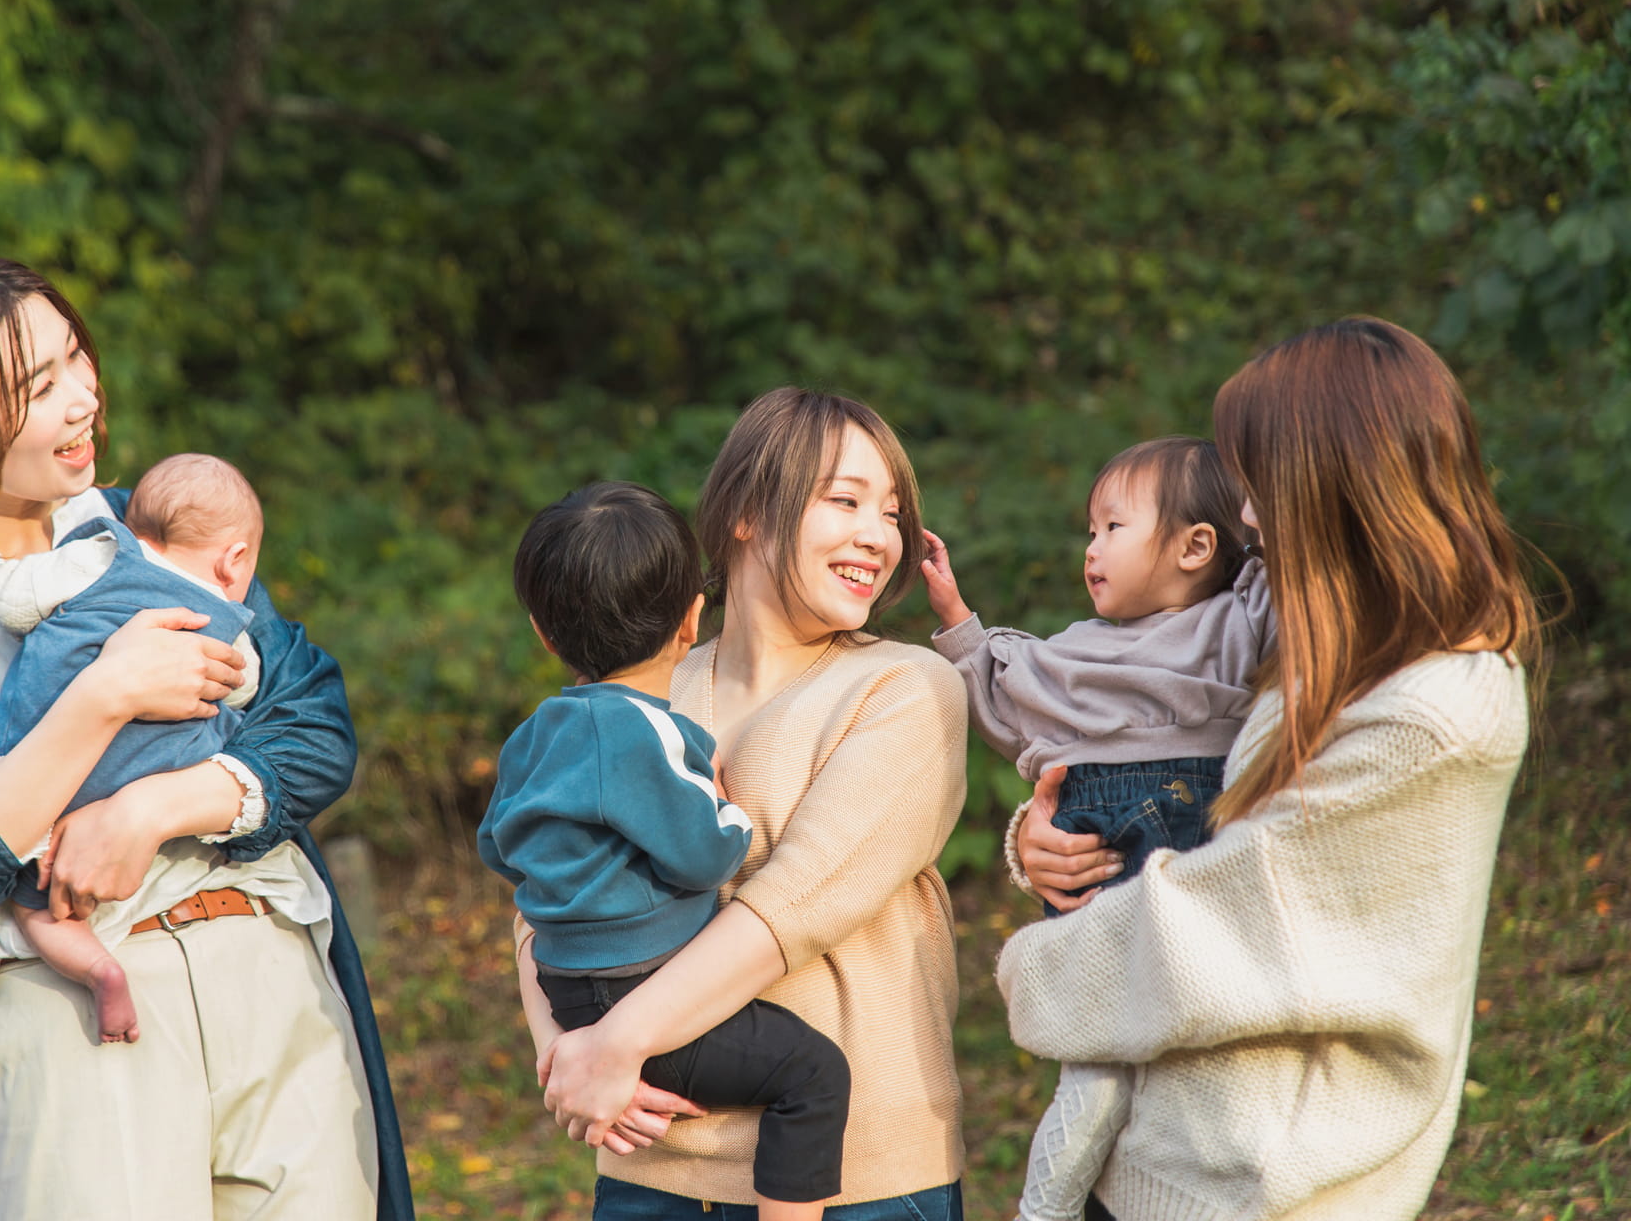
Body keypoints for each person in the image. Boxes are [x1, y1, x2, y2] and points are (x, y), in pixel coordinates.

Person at [0, 245, 414, 1221]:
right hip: (76, 1004)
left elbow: (311, 721)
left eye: (75, 356)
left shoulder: (157, 523)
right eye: (37, 385)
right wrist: (104, 694)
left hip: (269, 968)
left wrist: (154, 804)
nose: (83, 396)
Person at [1000, 317, 1538, 1219]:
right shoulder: (1323, 646)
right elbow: (1176, 776)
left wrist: (1039, 967)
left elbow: (1235, 915)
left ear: (1337, 488)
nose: (1247, 517)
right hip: (1167, 1156)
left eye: (1260, 488)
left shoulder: (1435, 715)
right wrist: (1044, 841)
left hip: (1263, 1185)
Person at [528, 388, 971, 1219]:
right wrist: (568, 1056)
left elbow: (794, 904)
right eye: (846, 501)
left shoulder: (904, 689)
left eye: (893, 512)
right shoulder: (641, 692)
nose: (880, 535)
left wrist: (616, 1041)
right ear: (744, 513)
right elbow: (542, 894)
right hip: (652, 1172)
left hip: (859, 1181)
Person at [920, 436, 1272, 1221]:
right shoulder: (1076, 653)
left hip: (1196, 856)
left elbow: (1298, 572)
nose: (1091, 547)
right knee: (1097, 1063)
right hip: (1101, 859)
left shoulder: (1235, 623)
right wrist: (954, 614)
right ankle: (1046, 1207)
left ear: (1196, 546)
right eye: (1089, 530)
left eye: (1112, 527)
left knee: (1166, 1050)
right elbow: (1008, 701)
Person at [480, 481, 852, 1221]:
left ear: (544, 633)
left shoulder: (534, 734)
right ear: (691, 616)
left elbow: (498, 846)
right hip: (642, 985)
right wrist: (726, 806)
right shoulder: (649, 731)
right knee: (814, 1073)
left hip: (567, 990)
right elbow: (707, 856)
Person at [0, 452, 269, 1046]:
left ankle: (99, 969)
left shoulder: (101, 555)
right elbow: (247, 682)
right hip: (163, 766)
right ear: (235, 558)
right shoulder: (224, 615)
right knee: (221, 729)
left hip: (55, 775)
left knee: (34, 903)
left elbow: (14, 604)